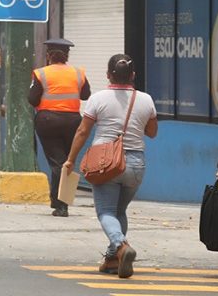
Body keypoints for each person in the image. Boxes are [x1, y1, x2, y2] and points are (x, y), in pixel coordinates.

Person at [62, 54, 157, 278]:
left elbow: (83, 131)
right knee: (119, 212)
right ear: (133, 76)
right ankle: (112, 259)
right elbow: (152, 133)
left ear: (108, 75)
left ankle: (121, 246)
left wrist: (71, 159)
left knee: (105, 211)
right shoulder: (146, 99)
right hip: (135, 164)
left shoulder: (98, 99)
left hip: (105, 163)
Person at [30, 37, 93, 217]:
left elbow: (32, 99)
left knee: (57, 162)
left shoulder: (41, 73)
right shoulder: (78, 73)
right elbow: (85, 95)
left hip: (48, 121)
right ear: (67, 55)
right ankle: (60, 201)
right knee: (68, 161)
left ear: (49, 55)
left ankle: (60, 205)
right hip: (72, 121)